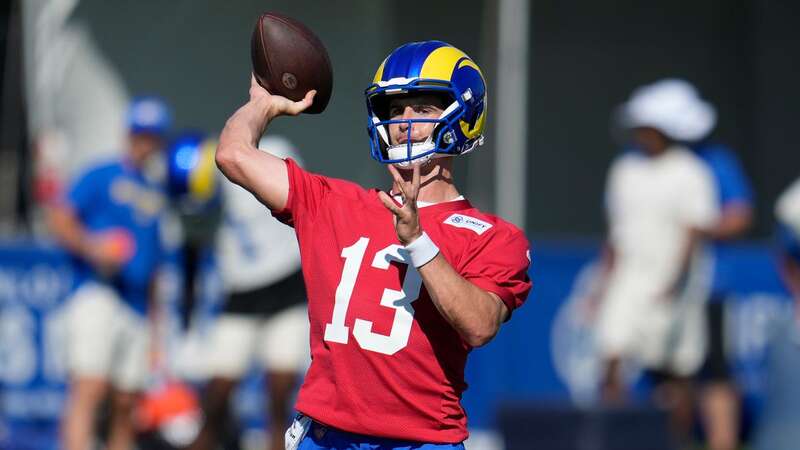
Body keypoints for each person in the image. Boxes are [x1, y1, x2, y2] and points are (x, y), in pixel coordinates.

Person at [214, 40, 532, 449]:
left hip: (420, 439)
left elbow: (479, 325)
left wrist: (418, 241)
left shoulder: (492, 235)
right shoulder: (334, 202)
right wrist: (263, 103)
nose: (403, 121)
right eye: (395, 109)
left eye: (421, 108)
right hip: (328, 437)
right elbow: (233, 154)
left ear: (463, 113)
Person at [594, 80, 719, 444]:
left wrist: (674, 283)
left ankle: (675, 442)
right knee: (612, 354)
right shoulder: (624, 170)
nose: (641, 135)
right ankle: (614, 438)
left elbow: (693, 233)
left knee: (675, 373)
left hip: (674, 287)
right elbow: (615, 235)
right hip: (627, 283)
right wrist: (602, 284)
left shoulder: (691, 172)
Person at [168, 133, 310, 450]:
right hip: (241, 297)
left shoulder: (271, 156)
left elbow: (311, 203)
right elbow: (190, 258)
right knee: (217, 393)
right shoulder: (192, 204)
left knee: (278, 394)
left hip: (288, 290)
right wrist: (186, 322)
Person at [47, 96, 171, 450]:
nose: (144, 142)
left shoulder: (156, 192)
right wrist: (92, 246)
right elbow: (59, 216)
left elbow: (156, 267)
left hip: (136, 305)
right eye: (139, 133)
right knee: (90, 387)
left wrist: (156, 329)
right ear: (128, 134)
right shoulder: (101, 174)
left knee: (127, 402)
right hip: (97, 291)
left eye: (151, 136)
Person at [683, 80, 754, 450]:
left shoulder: (716, 160)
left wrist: (699, 229)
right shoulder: (639, 164)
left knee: (715, 370)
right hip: (662, 287)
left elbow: (741, 213)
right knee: (669, 373)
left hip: (708, 283)